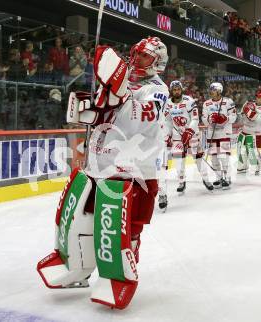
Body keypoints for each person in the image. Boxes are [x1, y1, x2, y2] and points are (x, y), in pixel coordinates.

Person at [37, 36, 169, 310]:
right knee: (80, 219)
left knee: (127, 230)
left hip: (135, 171)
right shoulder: (118, 84)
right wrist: (91, 107)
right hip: (99, 164)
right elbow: (98, 116)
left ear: (158, 62)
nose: (136, 59)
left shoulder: (158, 89)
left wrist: (118, 97)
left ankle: (117, 276)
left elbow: (142, 120)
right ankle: (74, 266)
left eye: (144, 56)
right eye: (135, 53)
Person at [164, 80, 213, 194]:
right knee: (178, 161)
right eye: (174, 89)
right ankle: (182, 181)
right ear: (171, 91)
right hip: (177, 138)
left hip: (192, 136)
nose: (176, 91)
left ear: (181, 89)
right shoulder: (167, 104)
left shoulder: (189, 101)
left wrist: (189, 131)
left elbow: (195, 118)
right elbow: (168, 122)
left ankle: (206, 179)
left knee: (199, 159)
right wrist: (168, 135)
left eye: (178, 89)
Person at [202, 82, 237, 189]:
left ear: (219, 91)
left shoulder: (228, 102)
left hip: (224, 133)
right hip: (212, 135)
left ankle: (227, 177)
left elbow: (234, 116)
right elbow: (204, 119)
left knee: (224, 157)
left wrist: (225, 118)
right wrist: (210, 119)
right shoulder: (206, 103)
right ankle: (218, 177)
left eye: (213, 89)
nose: (211, 91)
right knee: (214, 159)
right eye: (211, 89)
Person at [237, 91, 261, 175]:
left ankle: (257, 166)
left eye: (259, 97)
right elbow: (241, 115)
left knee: (253, 151)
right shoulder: (249, 104)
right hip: (245, 130)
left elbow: (258, 120)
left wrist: (250, 112)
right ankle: (243, 166)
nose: (257, 99)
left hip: (256, 133)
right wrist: (245, 109)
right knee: (241, 149)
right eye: (257, 97)